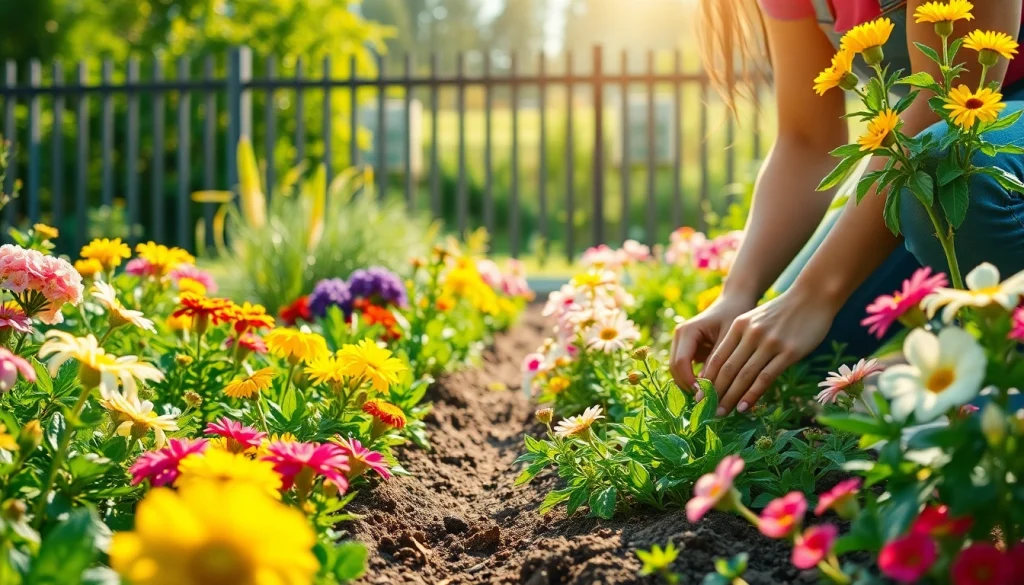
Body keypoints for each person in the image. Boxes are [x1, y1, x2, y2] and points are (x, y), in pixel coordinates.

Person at [669, 0, 1024, 415]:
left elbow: (944, 102)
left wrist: (815, 293)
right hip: (933, 140)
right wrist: (739, 294)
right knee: (797, 358)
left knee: (953, 172)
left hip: (973, 137)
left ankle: (1000, 385)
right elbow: (806, 140)